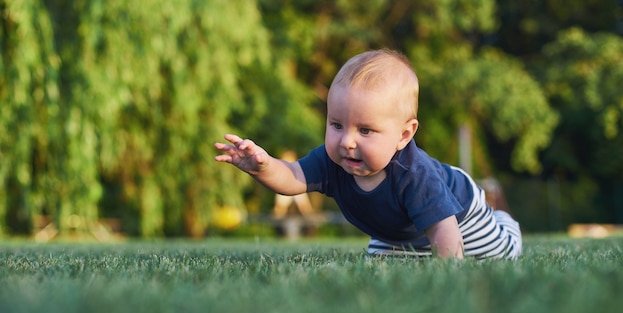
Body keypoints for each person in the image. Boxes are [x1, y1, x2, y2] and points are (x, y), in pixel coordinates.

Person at [215, 49, 522, 259]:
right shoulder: (332, 161)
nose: (347, 141)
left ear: (404, 135)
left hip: (461, 215)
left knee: (495, 254)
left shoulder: (414, 176)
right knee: (383, 266)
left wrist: (448, 277)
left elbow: (443, 229)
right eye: (337, 124)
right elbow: (293, 177)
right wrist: (263, 166)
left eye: (365, 131)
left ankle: (507, 226)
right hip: (396, 231)